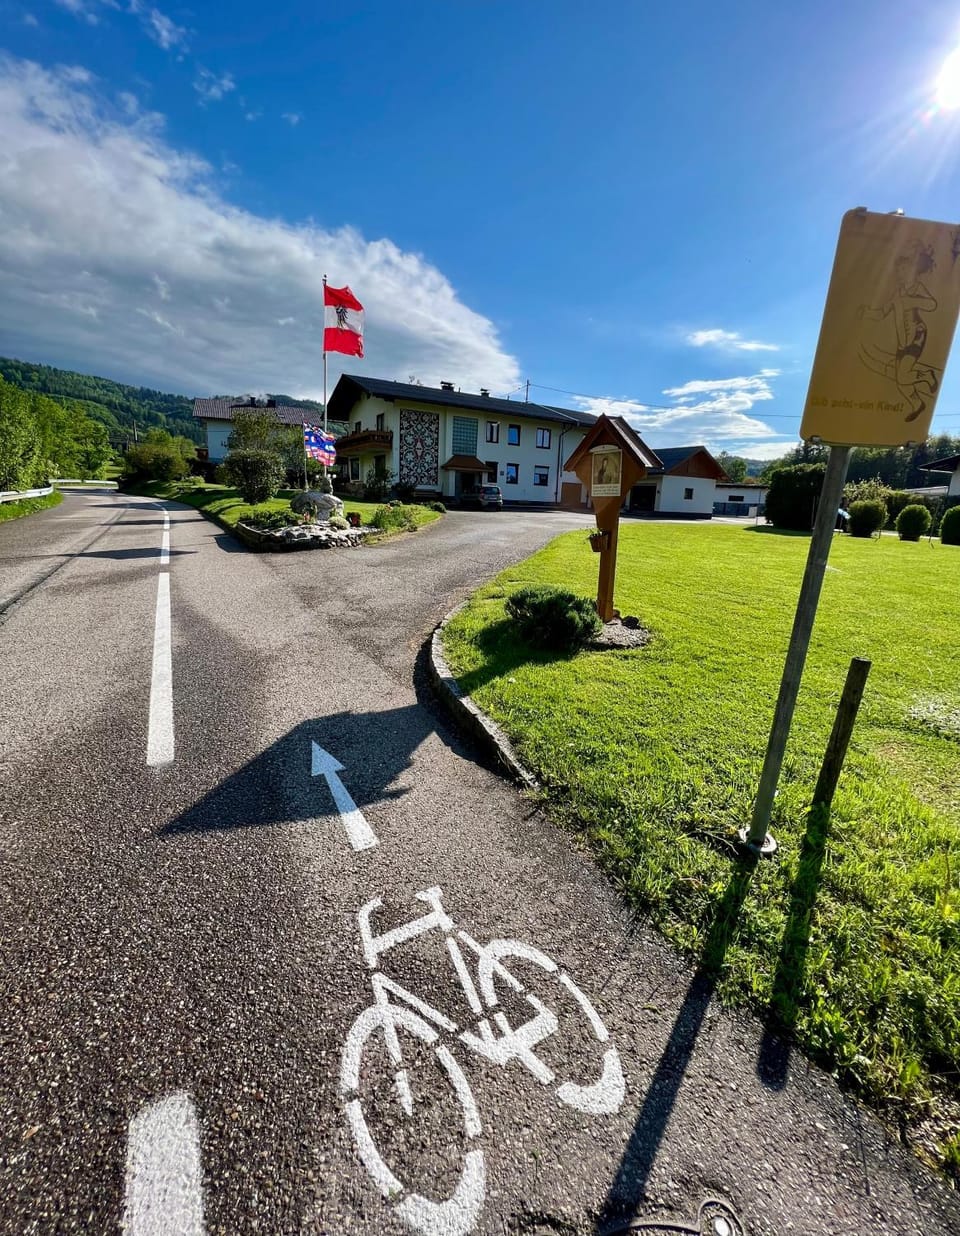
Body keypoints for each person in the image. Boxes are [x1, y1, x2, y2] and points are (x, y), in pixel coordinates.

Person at [858, 240, 940, 423]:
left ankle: (926, 375)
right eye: (898, 271)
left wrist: (912, 301)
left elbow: (931, 304)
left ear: (911, 270)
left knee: (903, 376)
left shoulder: (917, 288)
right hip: (903, 339)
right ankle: (917, 404)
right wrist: (866, 314)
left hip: (916, 334)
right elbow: (882, 313)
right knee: (900, 380)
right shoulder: (897, 292)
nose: (900, 274)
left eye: (903, 270)